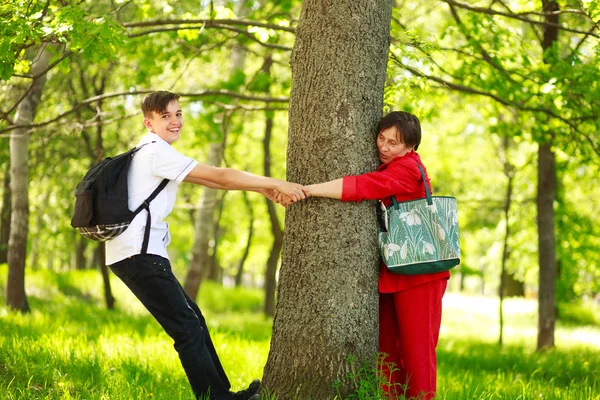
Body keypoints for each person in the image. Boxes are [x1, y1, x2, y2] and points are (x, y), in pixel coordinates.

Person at [105, 90, 307, 400]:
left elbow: (211, 180)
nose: (175, 121)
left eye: (178, 114)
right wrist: (274, 183)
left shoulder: (151, 151)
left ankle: (222, 394)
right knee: (186, 327)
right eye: (166, 116)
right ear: (149, 123)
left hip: (138, 254)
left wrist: (262, 189)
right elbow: (221, 177)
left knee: (193, 319)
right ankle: (216, 398)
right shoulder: (156, 152)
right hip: (139, 255)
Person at [286, 111, 449, 400]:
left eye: (394, 143)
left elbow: (361, 187)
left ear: (411, 147)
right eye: (381, 138)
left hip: (421, 274)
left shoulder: (409, 169)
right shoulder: (390, 165)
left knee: (416, 353)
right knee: (385, 351)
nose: (384, 147)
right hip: (394, 270)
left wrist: (308, 190)